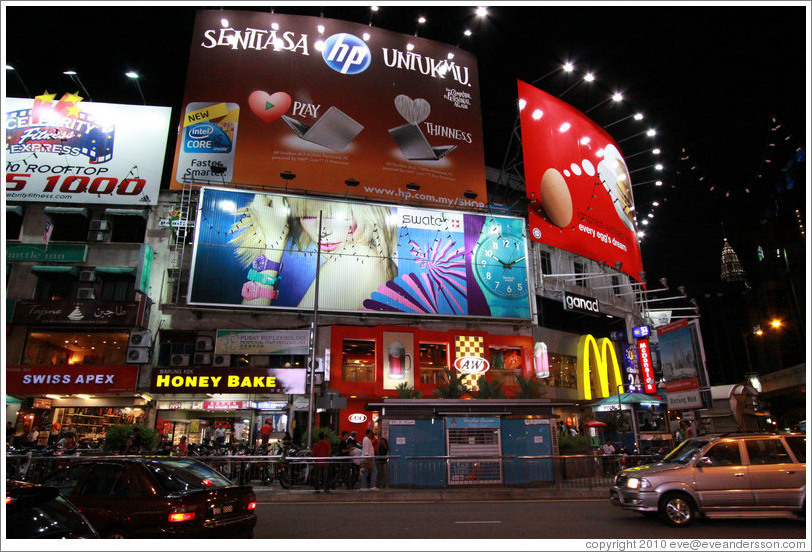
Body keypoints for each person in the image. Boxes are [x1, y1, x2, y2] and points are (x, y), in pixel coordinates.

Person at [229, 194, 397, 310]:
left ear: (363, 213)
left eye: (333, 215)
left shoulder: (356, 259)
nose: (322, 230)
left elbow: (248, 341)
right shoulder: (372, 260)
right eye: (307, 216)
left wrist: (274, 243)